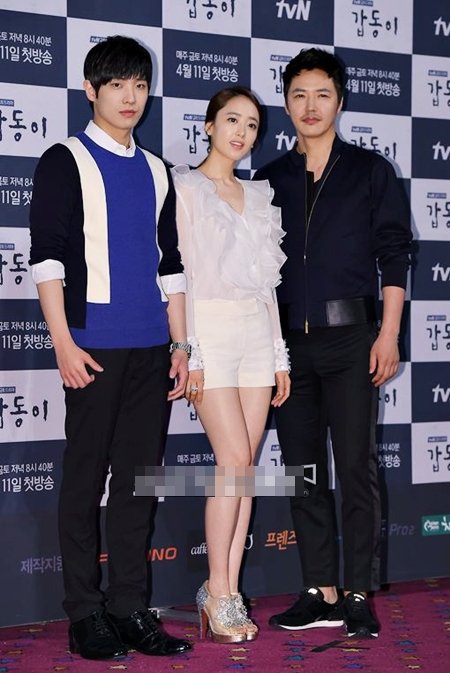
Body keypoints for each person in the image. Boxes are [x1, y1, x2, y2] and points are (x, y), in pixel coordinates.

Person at [29, 36, 192, 660]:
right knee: (84, 480)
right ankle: (84, 612)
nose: (130, 97)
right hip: (93, 348)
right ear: (90, 90)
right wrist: (63, 343)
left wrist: (182, 345)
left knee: (138, 485)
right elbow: (47, 259)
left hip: (153, 348)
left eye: (139, 85)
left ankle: (129, 607)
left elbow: (170, 265)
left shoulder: (156, 169)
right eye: (117, 84)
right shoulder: (63, 160)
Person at [254, 48, 411, 638]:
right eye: (299, 94)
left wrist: (388, 334)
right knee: (302, 472)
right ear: (286, 103)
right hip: (289, 347)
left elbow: (394, 255)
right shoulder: (269, 179)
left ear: (340, 101)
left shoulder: (370, 171)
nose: (310, 105)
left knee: (355, 467)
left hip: (353, 341)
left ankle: (358, 592)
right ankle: (318, 590)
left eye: (322, 94)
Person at [172, 86, 291, 643]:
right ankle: (217, 592)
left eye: (251, 125)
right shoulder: (185, 188)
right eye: (232, 120)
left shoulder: (259, 194)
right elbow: (180, 277)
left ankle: (229, 590)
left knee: (246, 468)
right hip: (211, 333)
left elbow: (268, 285)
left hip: (255, 335)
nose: (241, 132)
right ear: (209, 126)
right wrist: (189, 349)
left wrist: (279, 354)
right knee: (234, 462)